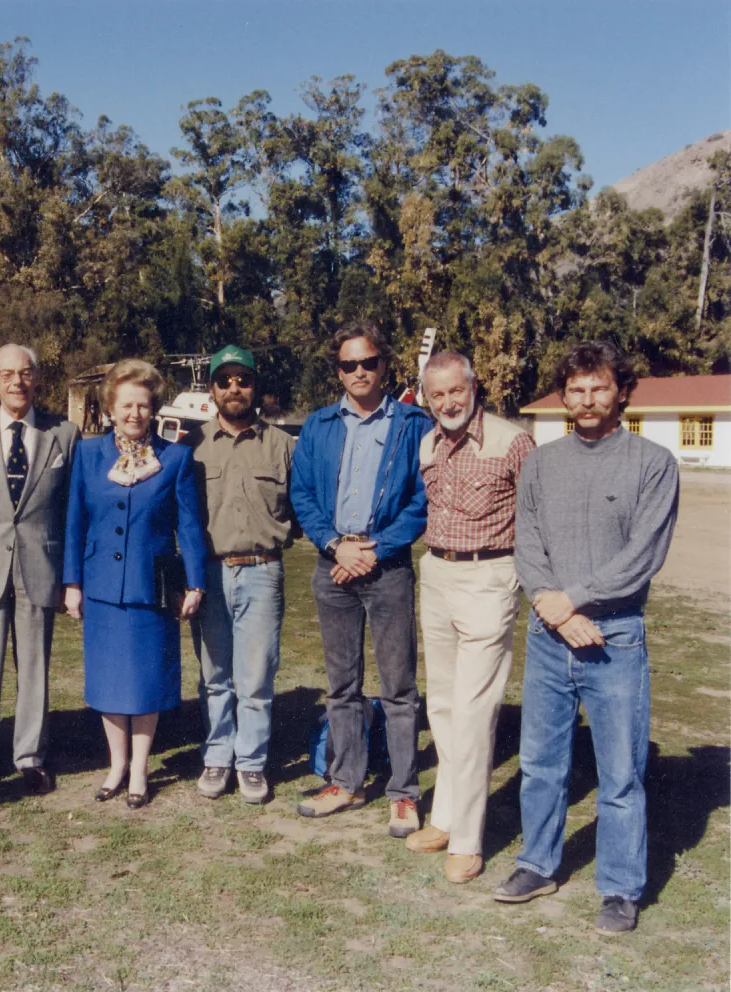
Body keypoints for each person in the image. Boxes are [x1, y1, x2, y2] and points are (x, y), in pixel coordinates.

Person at [495, 341, 678, 934]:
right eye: (576, 390)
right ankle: (537, 864)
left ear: (621, 391)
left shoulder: (652, 463)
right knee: (542, 762)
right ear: (564, 396)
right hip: (551, 637)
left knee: (619, 771)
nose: (588, 399)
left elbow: (642, 555)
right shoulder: (542, 464)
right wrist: (554, 610)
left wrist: (572, 600)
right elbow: (528, 545)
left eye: (599, 388)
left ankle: (621, 888)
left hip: (614, 636)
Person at [290, 322, 430, 836]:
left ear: (384, 366)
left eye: (367, 362)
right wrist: (334, 545)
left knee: (398, 688)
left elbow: (422, 501)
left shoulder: (414, 423)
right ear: (338, 371)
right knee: (342, 685)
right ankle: (346, 782)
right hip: (334, 567)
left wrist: (378, 548)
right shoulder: (319, 425)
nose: (359, 372)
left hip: (386, 568)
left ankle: (403, 793)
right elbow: (302, 493)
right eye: (348, 364)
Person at [406, 352, 534, 884]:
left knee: (476, 712)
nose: (448, 403)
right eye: (437, 395)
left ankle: (468, 839)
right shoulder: (428, 443)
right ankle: (444, 818)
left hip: (489, 578)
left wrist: (525, 580)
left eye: (455, 391)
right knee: (442, 705)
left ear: (473, 387)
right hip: (437, 573)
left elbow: (536, 516)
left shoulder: (512, 441)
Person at [63, 358, 208, 809]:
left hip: (153, 587)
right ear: (110, 408)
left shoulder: (177, 458)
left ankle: (141, 769)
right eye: (126, 405)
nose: (134, 414)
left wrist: (197, 582)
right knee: (108, 682)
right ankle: (116, 765)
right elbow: (75, 521)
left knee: (147, 681)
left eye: (143, 405)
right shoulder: (88, 455)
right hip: (102, 585)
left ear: (154, 409)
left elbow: (189, 526)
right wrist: (72, 581)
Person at [0, 343, 80, 796]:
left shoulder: (63, 434)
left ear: (36, 378)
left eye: (25, 373)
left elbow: (72, 511)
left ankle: (30, 756)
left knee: (35, 667)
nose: (17, 382)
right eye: (7, 374)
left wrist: (71, 577)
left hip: (39, 566)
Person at [185, 345, 295, 805]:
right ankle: (217, 756)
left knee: (255, 677)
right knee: (215, 676)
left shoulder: (284, 445)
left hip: (262, 572)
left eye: (243, 379)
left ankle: (251, 763)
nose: (235, 388)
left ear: (255, 386)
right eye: (225, 380)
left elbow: (303, 508)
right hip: (209, 574)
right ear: (211, 390)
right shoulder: (190, 449)